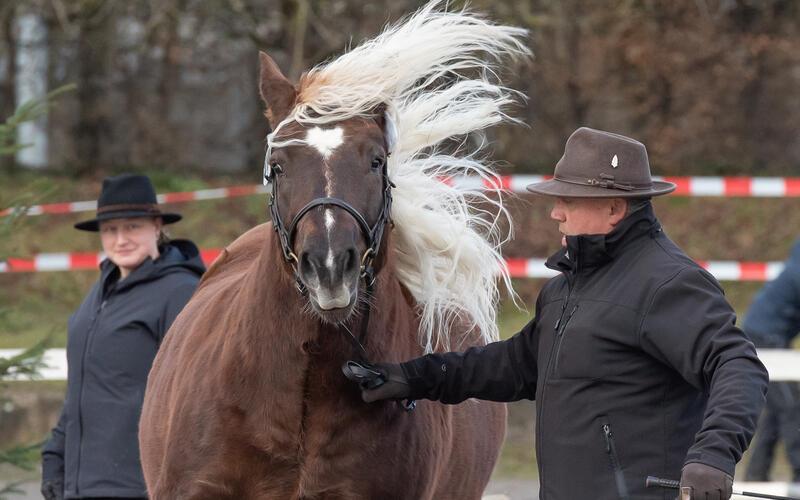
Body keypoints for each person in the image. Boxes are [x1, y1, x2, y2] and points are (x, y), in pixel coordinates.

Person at [353, 127, 769, 500]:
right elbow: (513, 366)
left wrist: (713, 456)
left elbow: (738, 365)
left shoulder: (668, 284)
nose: (556, 213)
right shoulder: (565, 288)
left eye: (569, 200)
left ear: (614, 208)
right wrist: (410, 378)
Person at [40, 174, 205, 500]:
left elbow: (195, 399)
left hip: (140, 485)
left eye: (133, 227)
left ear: (156, 226)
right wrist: (55, 454)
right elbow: (84, 384)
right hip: (80, 484)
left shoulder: (180, 292)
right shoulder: (100, 291)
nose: (121, 239)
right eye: (111, 230)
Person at [743, 240, 800, 482]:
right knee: (791, 406)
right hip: (765, 337)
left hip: (770, 334)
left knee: (777, 411)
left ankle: (756, 475)